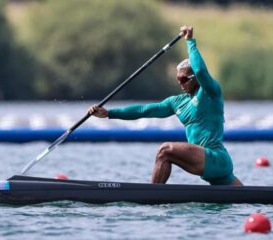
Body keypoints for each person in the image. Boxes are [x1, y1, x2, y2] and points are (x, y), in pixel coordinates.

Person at [88, 26, 243, 186]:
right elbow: (144, 110)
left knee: (165, 151)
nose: (180, 84)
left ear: (195, 77)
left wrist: (190, 41)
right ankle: (157, 193)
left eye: (184, 79)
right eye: (178, 80)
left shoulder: (210, 92)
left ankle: (151, 195)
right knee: (245, 198)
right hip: (211, 167)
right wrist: (109, 113)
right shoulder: (177, 102)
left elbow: (201, 71)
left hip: (215, 157)